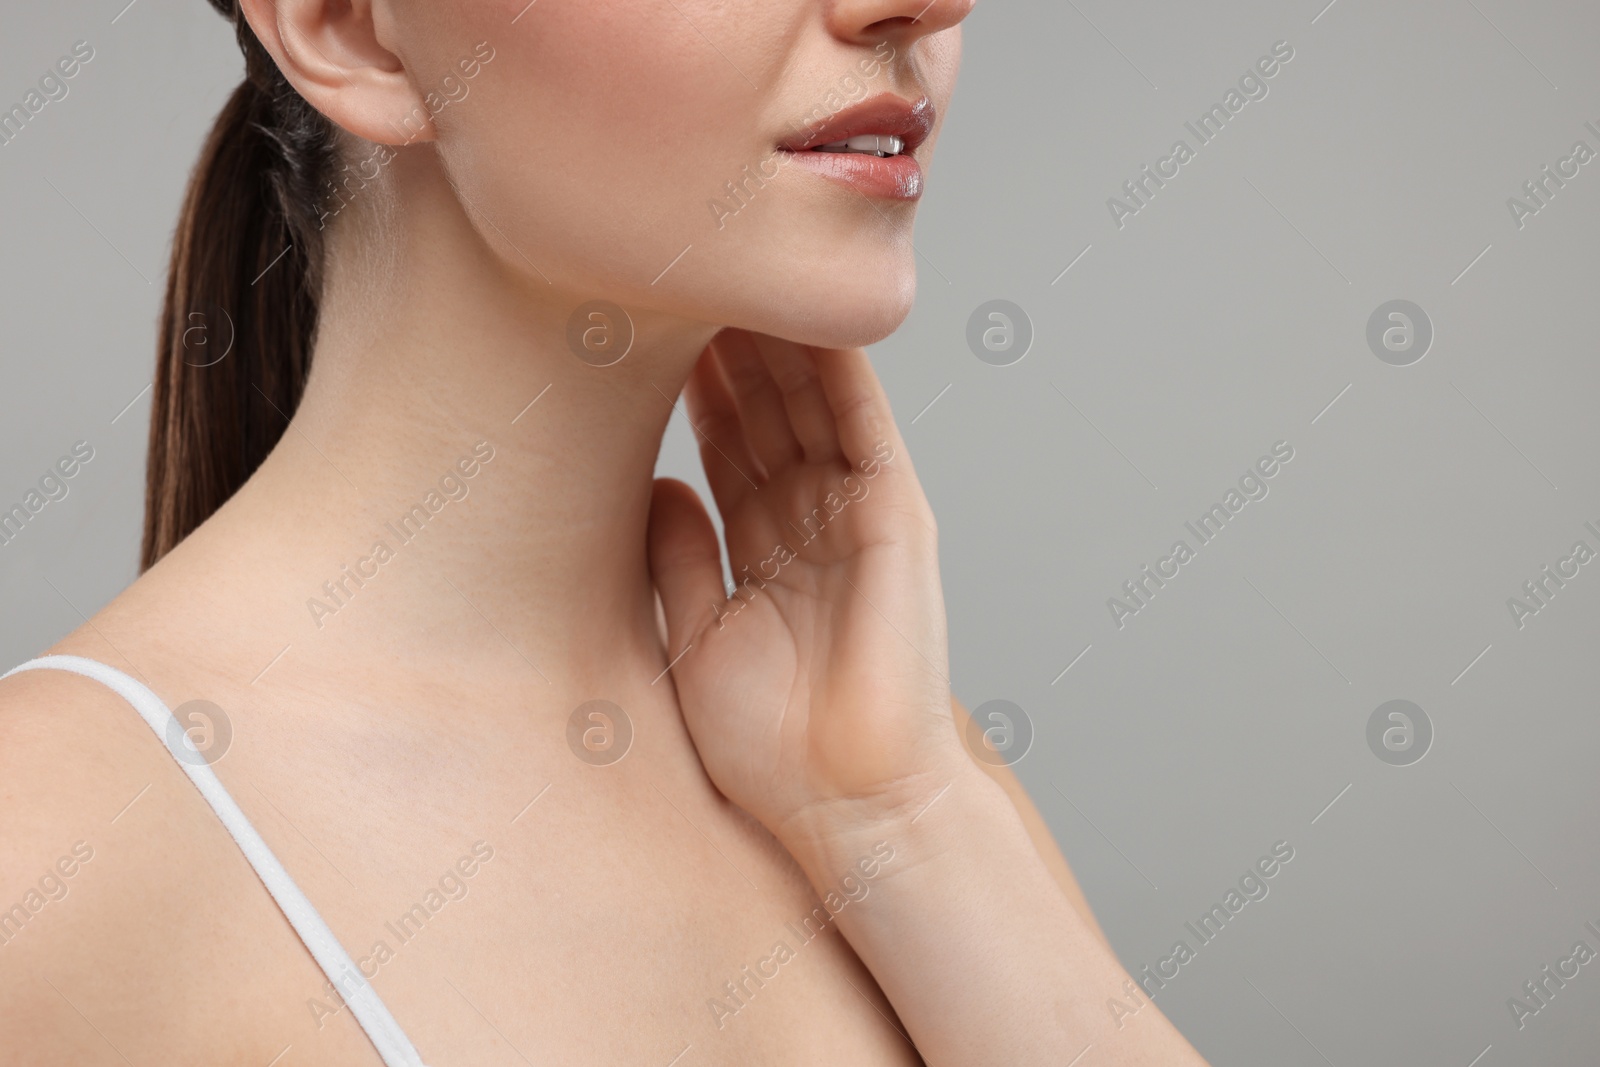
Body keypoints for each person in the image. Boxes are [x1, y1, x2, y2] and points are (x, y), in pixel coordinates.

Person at [0, 0, 1209, 1063]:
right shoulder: (45, 857)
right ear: (352, 28)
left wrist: (904, 825)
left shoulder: (896, 780)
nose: (922, 6)